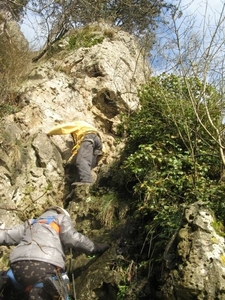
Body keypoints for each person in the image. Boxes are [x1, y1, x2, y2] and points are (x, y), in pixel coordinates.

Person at [0, 206, 110, 300]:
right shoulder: (60, 218)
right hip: (44, 265)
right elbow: (72, 238)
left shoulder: (31, 223)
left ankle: (7, 280)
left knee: (16, 287)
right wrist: (95, 247)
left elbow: (6, 235)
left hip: (17, 265)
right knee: (59, 283)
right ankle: (46, 289)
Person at [47, 121, 105, 202]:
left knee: (81, 161)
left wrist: (49, 132)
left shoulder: (78, 124)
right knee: (82, 168)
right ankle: (74, 192)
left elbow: (64, 128)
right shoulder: (92, 130)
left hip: (89, 138)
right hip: (98, 146)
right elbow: (81, 151)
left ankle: (86, 182)